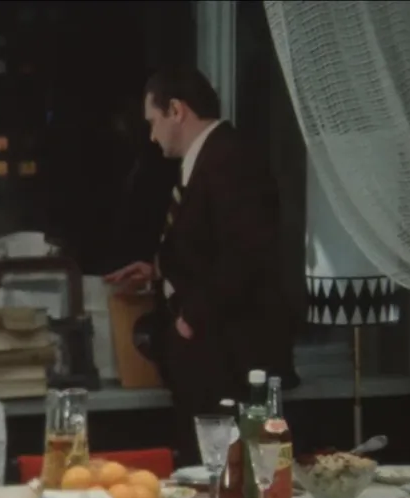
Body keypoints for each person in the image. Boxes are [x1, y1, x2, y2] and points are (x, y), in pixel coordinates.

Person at [105, 67, 297, 466]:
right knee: (205, 467)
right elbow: (208, 242)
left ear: (176, 110)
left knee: (226, 471)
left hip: (228, 353)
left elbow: (246, 253)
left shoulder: (232, 160)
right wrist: (160, 269)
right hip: (208, 350)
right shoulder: (209, 158)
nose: (152, 135)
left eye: (153, 122)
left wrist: (191, 318)